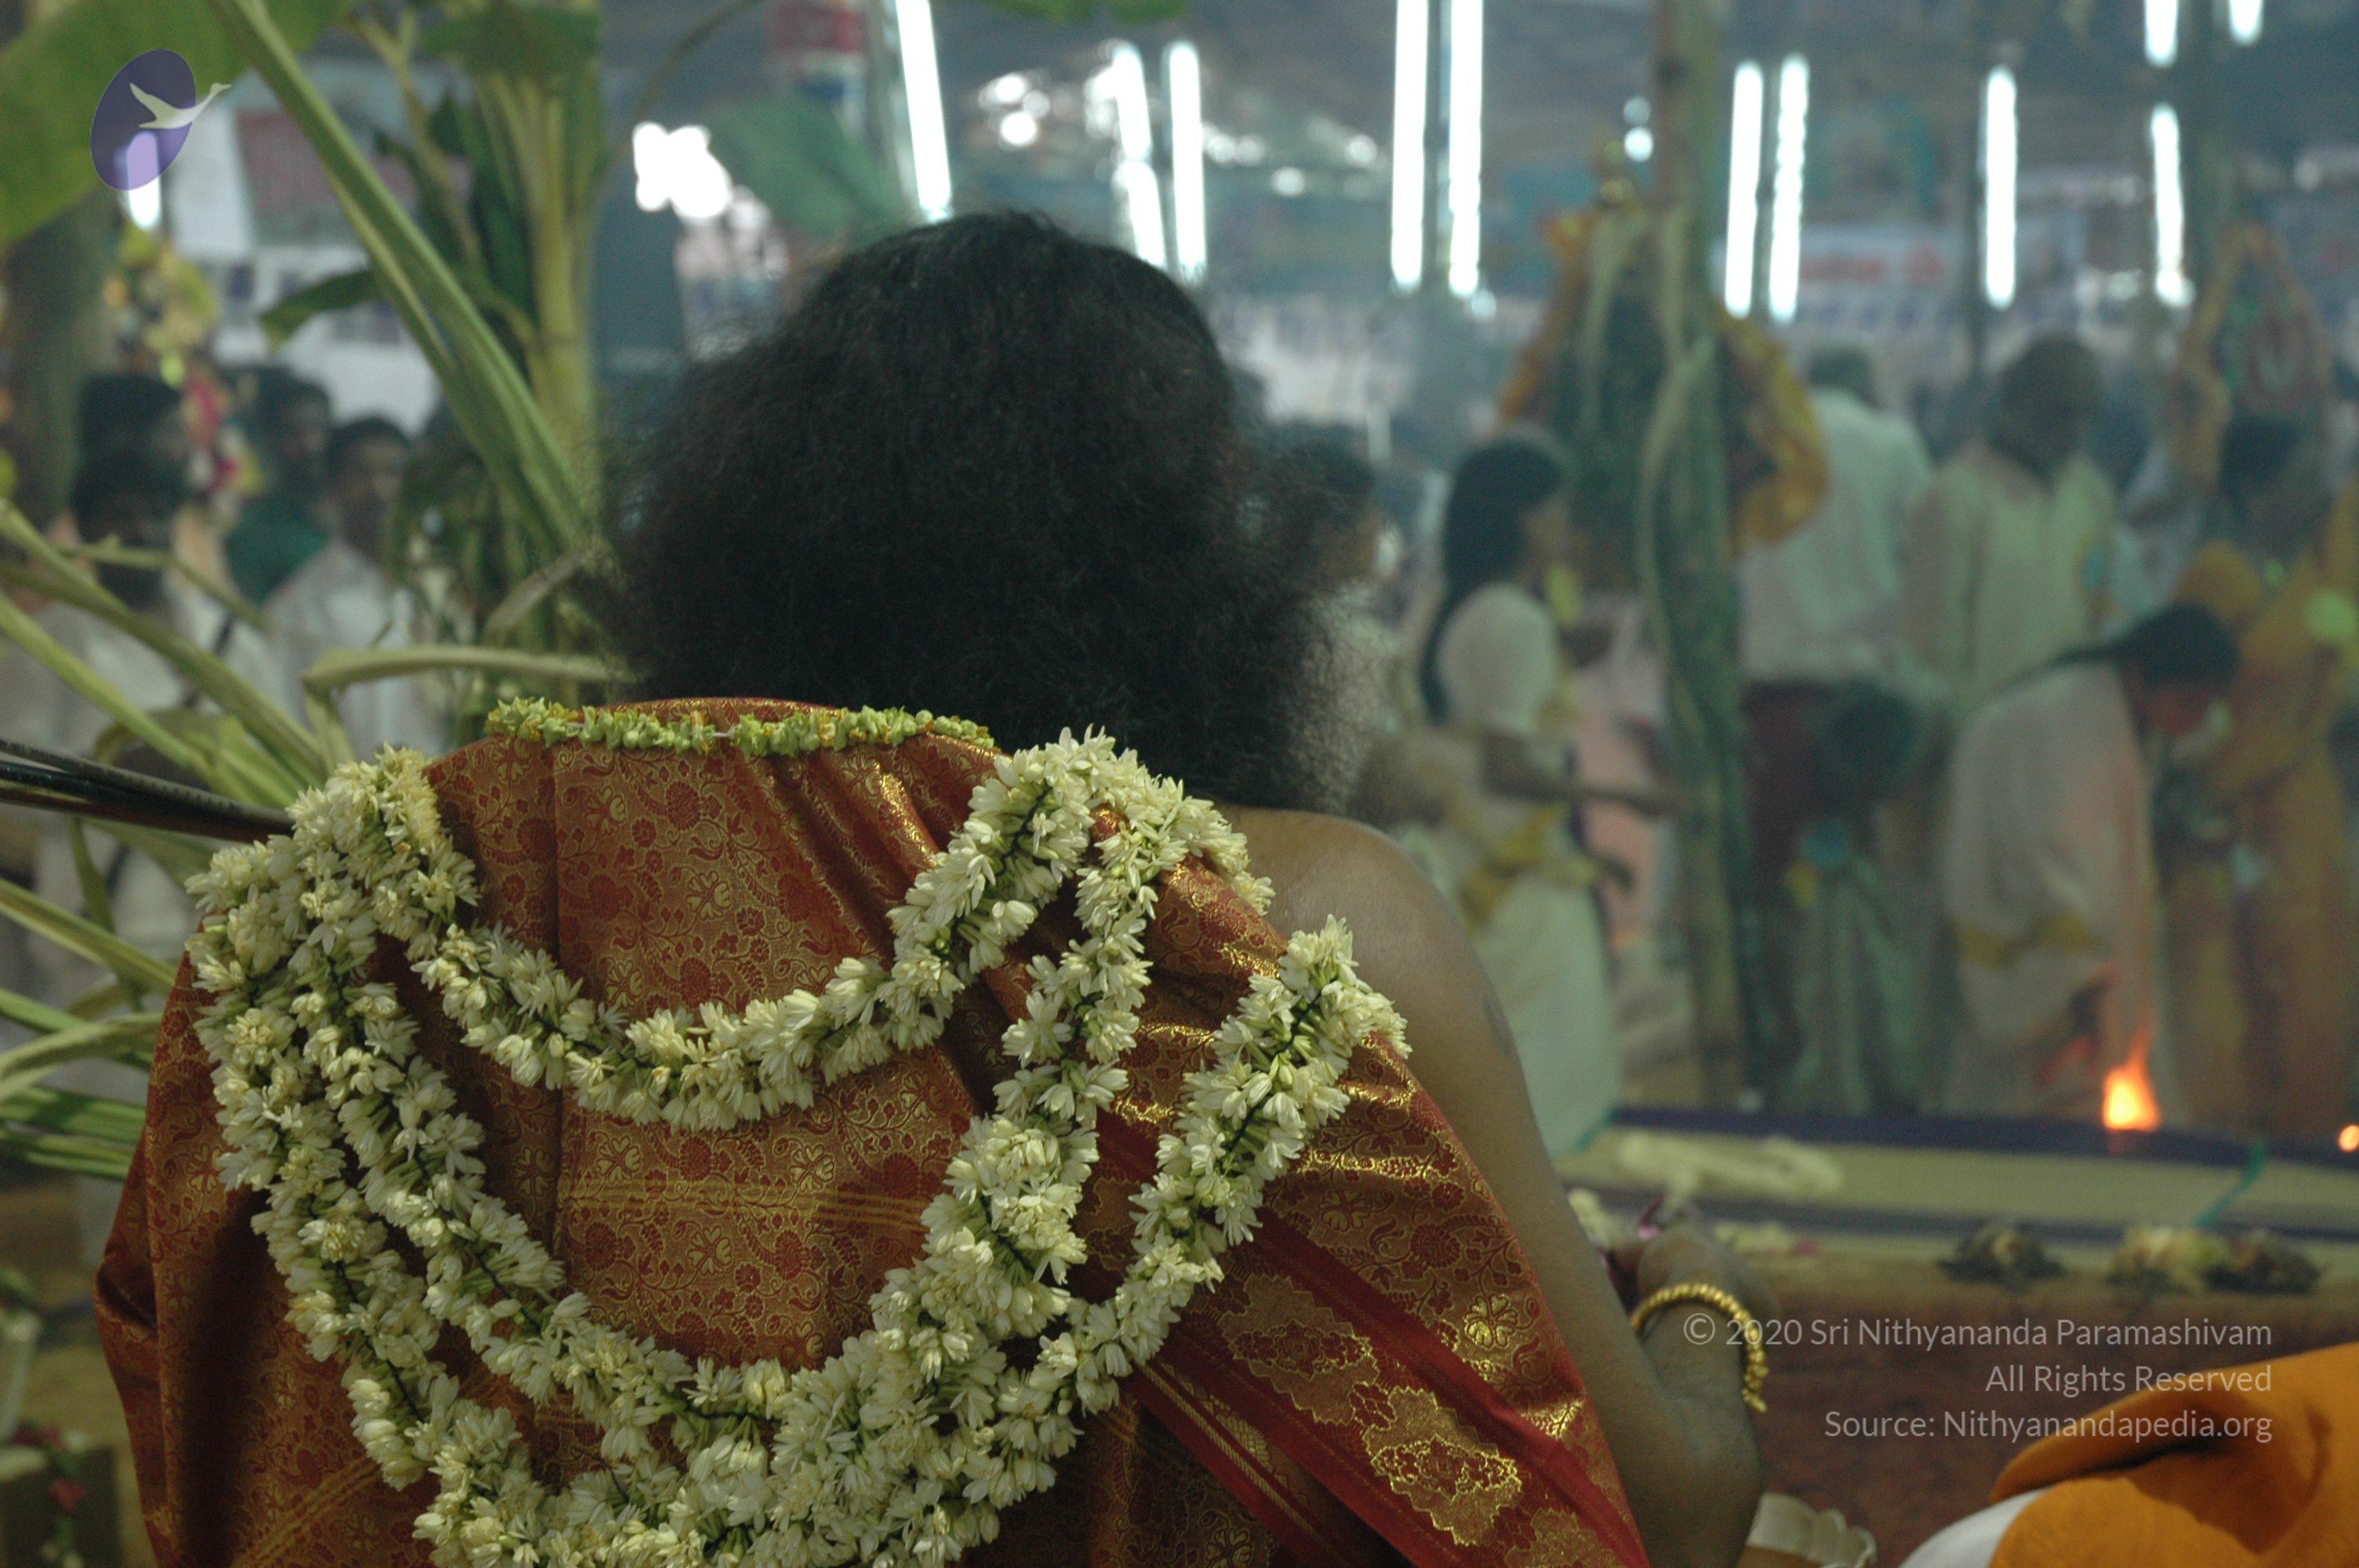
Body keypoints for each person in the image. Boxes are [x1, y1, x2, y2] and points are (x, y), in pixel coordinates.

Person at [99, 215, 1772, 1568]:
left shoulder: (450, 937)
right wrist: (1702, 1308)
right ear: (1196, 561)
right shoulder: (1287, 916)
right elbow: (1670, 1517)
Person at [1401, 439, 1637, 1159]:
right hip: (1519, 870)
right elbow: (1508, 765)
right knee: (1551, 1057)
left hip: (1463, 858)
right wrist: (1628, 795)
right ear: (1527, 520)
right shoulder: (1518, 619)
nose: (1567, 523)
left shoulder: (1448, 603)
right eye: (1557, 508)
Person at [1937, 605, 2241, 1121]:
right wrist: (2078, 979)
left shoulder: (2116, 715)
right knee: (2023, 1105)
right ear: (2141, 676)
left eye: (2208, 705)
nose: (2197, 721)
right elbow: (2042, 856)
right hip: (2034, 969)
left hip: (2078, 968)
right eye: (2190, 702)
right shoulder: (2062, 725)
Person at [2165, 415, 2359, 1138]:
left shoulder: (2318, 574)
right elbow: (2193, 700)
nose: (2318, 493)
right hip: (2226, 817)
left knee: (2318, 988)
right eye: (2302, 479)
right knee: (2227, 1002)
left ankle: (2311, 1139)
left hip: (2307, 815)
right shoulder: (2216, 575)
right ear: (2252, 493)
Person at [1902, 336, 2116, 715]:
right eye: (2059, 413)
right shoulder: (1957, 498)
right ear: (2015, 402)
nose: (2075, 431)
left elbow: (2099, 616)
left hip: (2067, 727)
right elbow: (1933, 652)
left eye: (2087, 415)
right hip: (1980, 733)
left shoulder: (2091, 494)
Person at [1740, 346, 1933, 681]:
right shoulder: (1894, 442)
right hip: (1866, 668)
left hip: (1767, 663)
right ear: (1868, 387)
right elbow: (1926, 548)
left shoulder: (1765, 439)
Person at [265, 416, 445, 759]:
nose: (379, 489)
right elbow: (287, 722)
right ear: (333, 486)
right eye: (360, 473)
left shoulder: (441, 589)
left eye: (393, 472)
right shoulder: (298, 607)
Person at [227, 372, 333, 604]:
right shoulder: (254, 534)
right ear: (270, 441)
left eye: (316, 428)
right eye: (293, 433)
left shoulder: (361, 512)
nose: (310, 445)